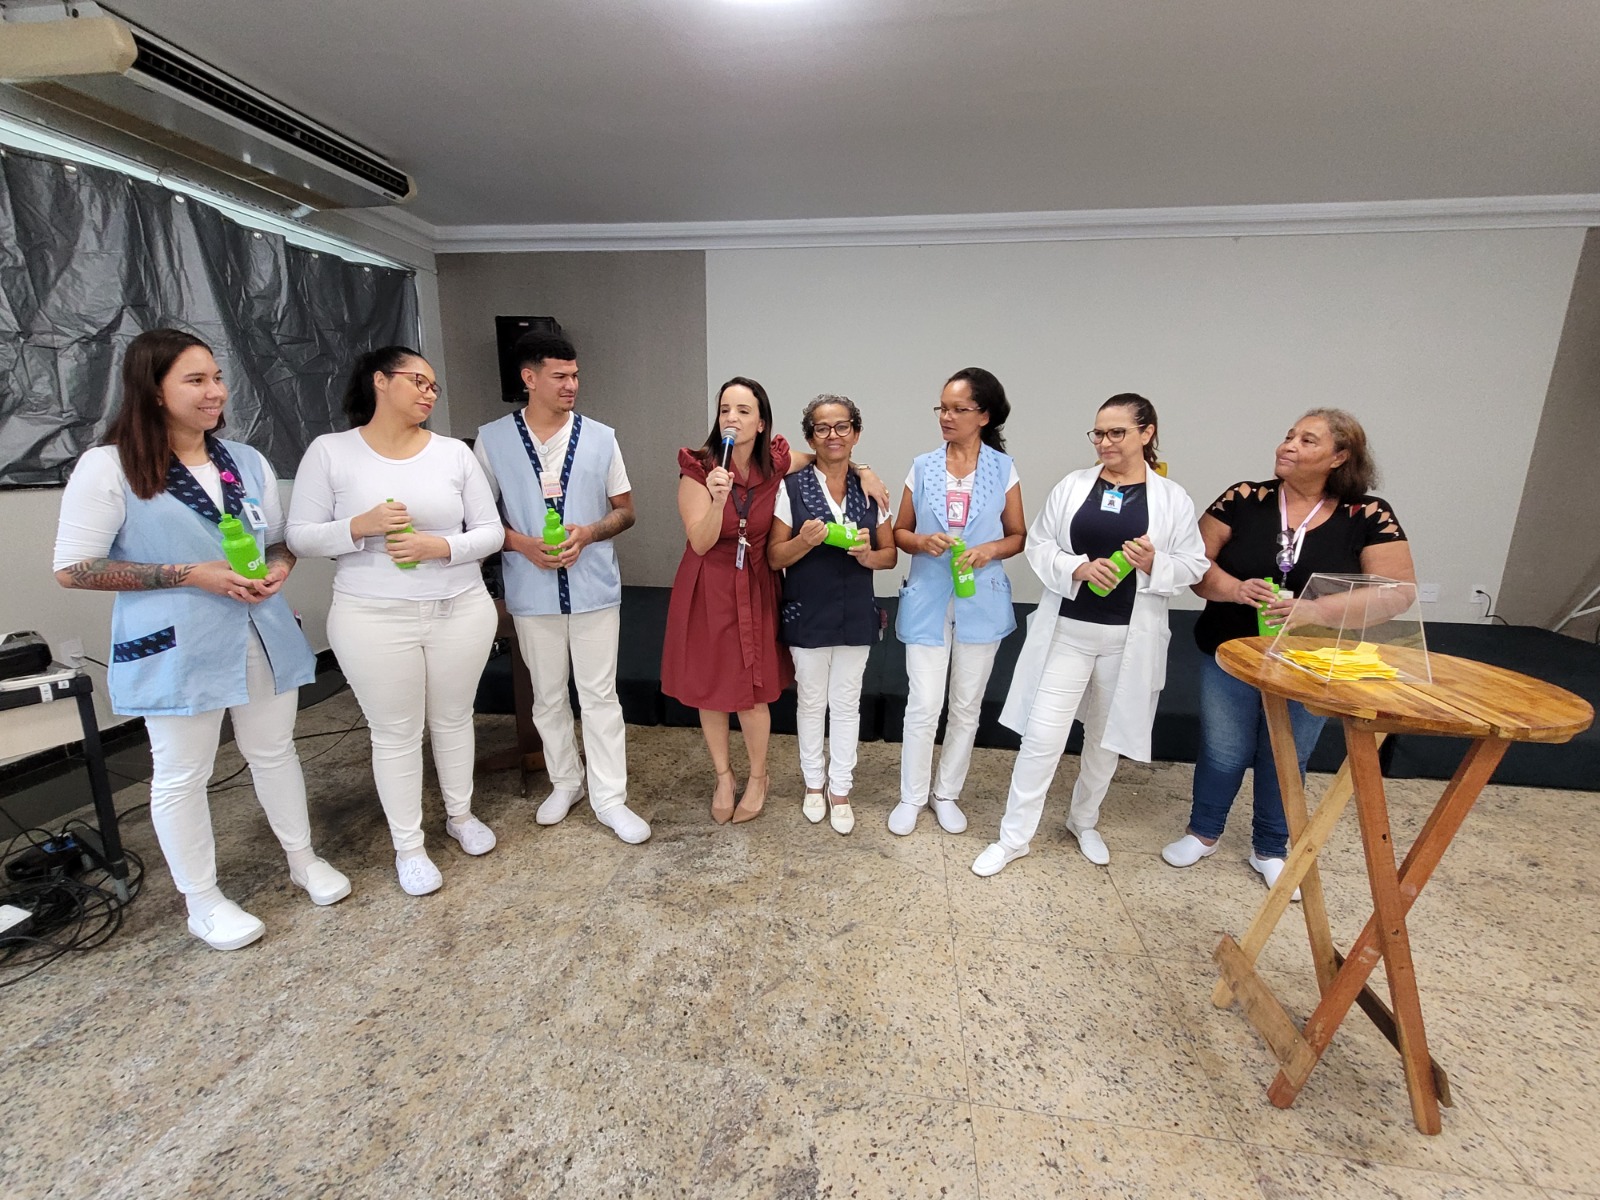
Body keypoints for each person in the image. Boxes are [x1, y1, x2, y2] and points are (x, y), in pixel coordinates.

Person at [53, 328, 349, 951]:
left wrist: (279, 570)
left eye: (216, 377)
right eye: (195, 380)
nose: (215, 391)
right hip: (177, 644)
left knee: (274, 751)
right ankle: (203, 900)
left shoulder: (245, 461)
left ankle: (303, 859)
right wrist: (189, 573)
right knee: (182, 773)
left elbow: (278, 541)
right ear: (153, 390)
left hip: (260, 629)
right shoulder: (109, 467)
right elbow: (74, 569)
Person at [1162, 408, 1414, 894]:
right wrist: (1235, 589)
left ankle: (1270, 847)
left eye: (1307, 440)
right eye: (1289, 436)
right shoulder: (1243, 498)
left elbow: (1398, 592)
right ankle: (1203, 832)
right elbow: (1193, 565)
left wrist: (1315, 610)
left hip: (1310, 659)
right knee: (1223, 746)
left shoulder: (1368, 513)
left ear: (1339, 457)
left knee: (1287, 753)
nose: (1289, 446)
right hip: (1231, 650)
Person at [286, 347, 504, 896]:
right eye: (417, 381)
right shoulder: (332, 452)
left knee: (454, 717)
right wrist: (358, 526)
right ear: (380, 381)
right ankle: (409, 846)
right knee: (396, 733)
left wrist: (440, 547)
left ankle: (460, 815)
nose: (429, 392)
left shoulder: (453, 453)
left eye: (433, 385)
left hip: (460, 607)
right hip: (372, 615)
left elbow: (491, 532)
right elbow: (299, 536)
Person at [972, 395, 1208, 876]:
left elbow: (1194, 565)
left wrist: (1154, 563)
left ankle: (1084, 820)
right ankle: (1013, 838)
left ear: (1147, 432)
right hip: (1068, 633)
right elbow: (1040, 544)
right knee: (1042, 738)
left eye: (1117, 432)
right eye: (1098, 433)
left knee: (1104, 741)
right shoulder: (1074, 486)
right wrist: (1077, 568)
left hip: (1128, 641)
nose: (1104, 442)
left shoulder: (1171, 498)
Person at [474, 332, 649, 845]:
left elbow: (626, 511)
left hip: (594, 587)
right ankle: (565, 782)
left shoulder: (601, 437)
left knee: (600, 696)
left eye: (575, 375)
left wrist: (588, 533)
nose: (572, 384)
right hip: (531, 590)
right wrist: (523, 545)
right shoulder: (492, 440)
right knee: (547, 696)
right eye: (560, 376)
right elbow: (479, 520)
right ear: (529, 378)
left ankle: (610, 798)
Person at [887, 367, 1026, 837]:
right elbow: (899, 532)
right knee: (924, 703)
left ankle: (946, 793)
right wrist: (921, 541)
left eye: (958, 409)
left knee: (966, 705)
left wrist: (989, 550)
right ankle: (911, 795)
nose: (946, 417)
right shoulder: (922, 466)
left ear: (983, 415)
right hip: (928, 596)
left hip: (980, 599)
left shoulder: (1003, 469)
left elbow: (1018, 536)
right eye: (942, 408)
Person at [662, 378, 794, 824]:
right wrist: (717, 501)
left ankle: (759, 776)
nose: (731, 419)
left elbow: (822, 456)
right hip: (708, 584)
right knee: (712, 687)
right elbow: (699, 542)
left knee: (753, 690)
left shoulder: (775, 462)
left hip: (755, 582)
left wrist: (864, 469)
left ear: (761, 422)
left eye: (742, 410)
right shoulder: (699, 468)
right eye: (724, 410)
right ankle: (724, 775)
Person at [768, 395, 898, 835]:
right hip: (808, 611)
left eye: (842, 426)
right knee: (810, 701)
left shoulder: (872, 490)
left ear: (855, 434)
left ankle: (840, 789)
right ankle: (813, 783)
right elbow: (773, 557)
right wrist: (803, 542)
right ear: (810, 438)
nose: (833, 435)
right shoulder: (791, 489)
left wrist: (867, 556)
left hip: (857, 612)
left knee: (846, 702)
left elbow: (889, 555)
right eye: (822, 428)